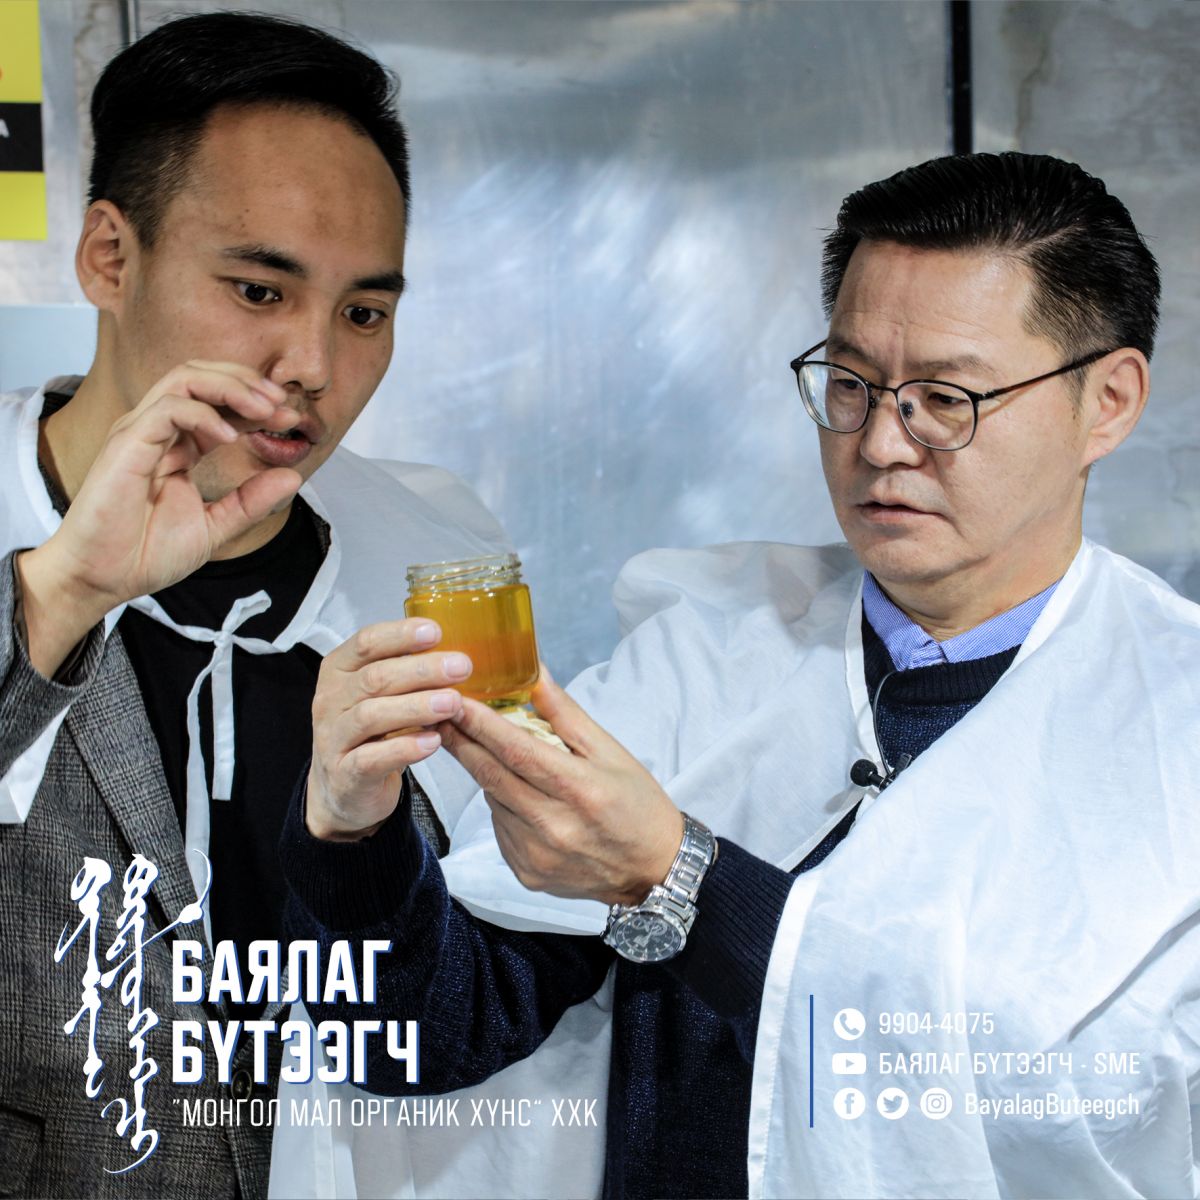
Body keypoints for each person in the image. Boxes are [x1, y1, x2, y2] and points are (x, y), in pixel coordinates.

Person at [282, 152, 1200, 1199]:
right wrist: (350, 834)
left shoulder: (1170, 732)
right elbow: (426, 1036)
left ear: (1108, 402)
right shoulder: (710, 656)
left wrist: (680, 878)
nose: (881, 444)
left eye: (946, 399)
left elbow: (1051, 1115)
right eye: (851, 385)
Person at [0, 12, 522, 1198]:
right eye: (257, 288)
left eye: (364, 313)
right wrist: (64, 588)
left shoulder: (439, 554)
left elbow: (504, 943)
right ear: (109, 257)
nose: (313, 367)